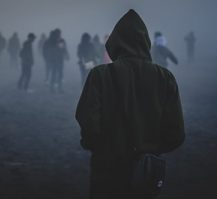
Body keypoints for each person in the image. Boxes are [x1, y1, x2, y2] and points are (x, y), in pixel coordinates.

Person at [75, 9, 185, 199]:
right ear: (145, 43)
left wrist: (97, 147)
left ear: (114, 43)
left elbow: (88, 121)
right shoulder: (164, 77)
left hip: (106, 169)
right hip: (145, 172)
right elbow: (176, 133)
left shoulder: (99, 75)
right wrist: (151, 150)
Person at [50, 28, 69, 93]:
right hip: (54, 60)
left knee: (59, 74)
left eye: (59, 33)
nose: (59, 34)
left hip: (59, 59)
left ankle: (59, 87)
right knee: (54, 73)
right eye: (58, 33)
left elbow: (63, 48)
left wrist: (66, 55)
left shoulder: (60, 40)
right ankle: (53, 88)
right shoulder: (53, 41)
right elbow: (51, 50)